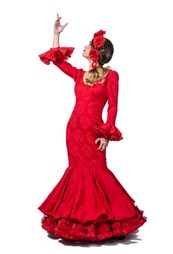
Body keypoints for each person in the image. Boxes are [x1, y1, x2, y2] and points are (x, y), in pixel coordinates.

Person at [38, 13, 147, 241]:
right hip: (73, 132)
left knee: (98, 172)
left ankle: (108, 220)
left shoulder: (111, 76)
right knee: (77, 173)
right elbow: (57, 61)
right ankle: (76, 221)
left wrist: (107, 133)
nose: (84, 48)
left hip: (93, 133)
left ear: (96, 52)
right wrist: (56, 35)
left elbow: (114, 106)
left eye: (88, 46)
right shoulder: (80, 75)